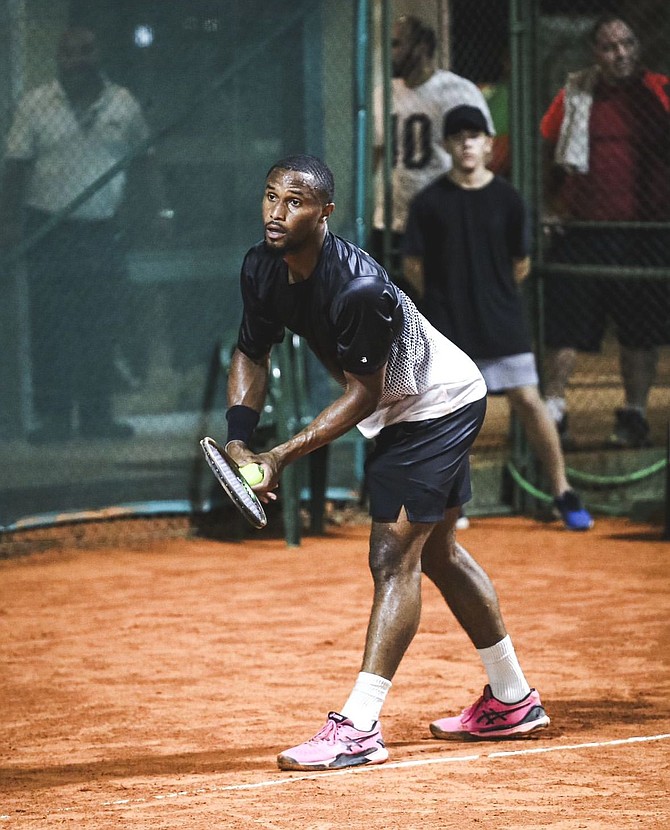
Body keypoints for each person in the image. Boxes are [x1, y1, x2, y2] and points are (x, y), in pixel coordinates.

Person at [224, 153, 550, 772]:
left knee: (391, 556)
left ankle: (360, 725)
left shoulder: (358, 287)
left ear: (325, 214)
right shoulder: (261, 267)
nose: (276, 212)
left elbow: (364, 394)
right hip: (412, 406)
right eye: (270, 197)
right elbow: (250, 351)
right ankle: (513, 699)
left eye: (294, 202)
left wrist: (280, 455)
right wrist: (242, 437)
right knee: (439, 553)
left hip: (435, 406)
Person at [403, 105, 593, 532]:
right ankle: (456, 501)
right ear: (448, 145)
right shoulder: (429, 202)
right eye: (459, 136)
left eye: (475, 135)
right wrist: (444, 303)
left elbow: (520, 264)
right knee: (453, 413)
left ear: (489, 144)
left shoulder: (508, 199)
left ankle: (563, 491)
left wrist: (494, 296)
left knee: (528, 401)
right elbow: (414, 265)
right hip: (448, 328)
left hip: (503, 322)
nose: (467, 143)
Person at [0, 26, 170, 443]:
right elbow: (16, 168)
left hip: (102, 230)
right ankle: (55, 418)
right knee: (51, 326)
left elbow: (145, 163)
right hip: (49, 229)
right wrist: (8, 224)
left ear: (99, 55)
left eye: (85, 51)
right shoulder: (37, 105)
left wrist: (157, 214)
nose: (77, 60)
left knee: (100, 324)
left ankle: (97, 416)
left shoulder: (122, 105)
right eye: (68, 52)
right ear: (58, 59)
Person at [540, 14, 670, 449]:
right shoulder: (576, 94)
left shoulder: (660, 92)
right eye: (610, 47)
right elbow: (550, 150)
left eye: (628, 44)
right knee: (566, 328)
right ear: (596, 53)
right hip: (584, 229)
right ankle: (554, 413)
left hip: (643, 233)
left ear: (638, 47)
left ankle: (633, 414)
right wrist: (550, 206)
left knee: (640, 330)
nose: (621, 54)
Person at [371, 14, 494, 286]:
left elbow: (484, 153)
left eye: (397, 44)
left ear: (422, 47)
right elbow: (376, 155)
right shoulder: (384, 94)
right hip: (393, 218)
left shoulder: (455, 91)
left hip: (441, 218)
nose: (390, 53)